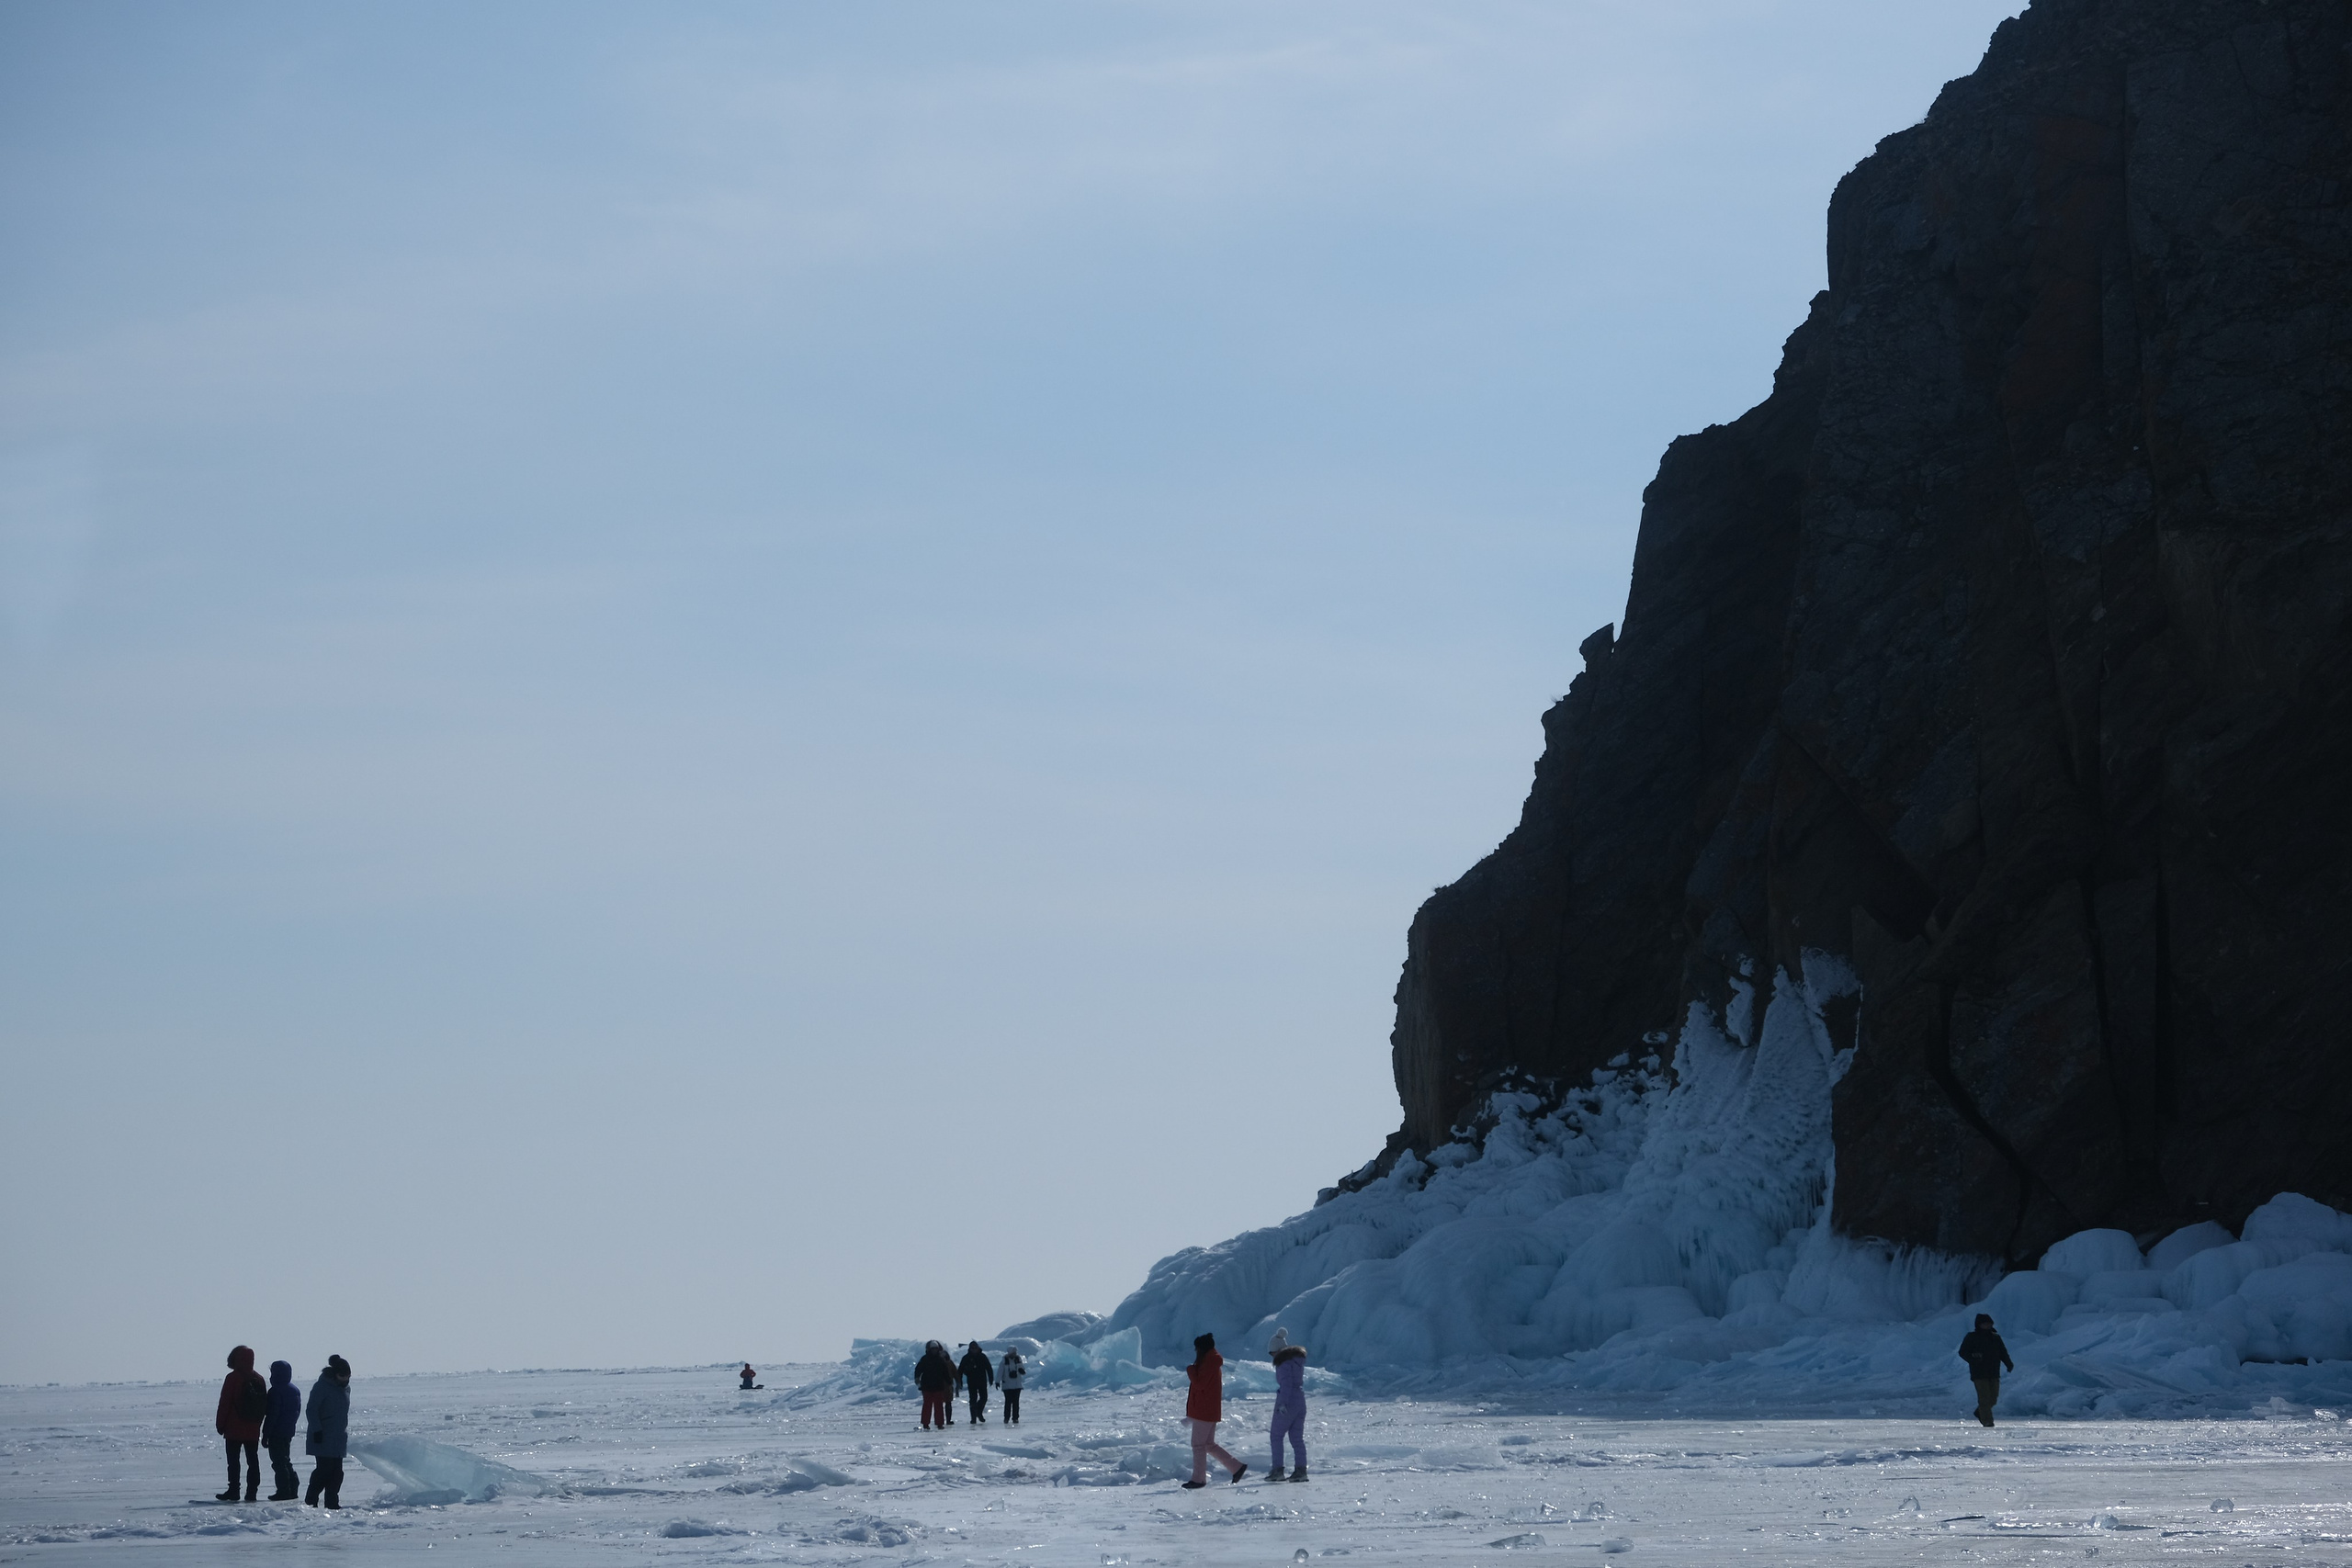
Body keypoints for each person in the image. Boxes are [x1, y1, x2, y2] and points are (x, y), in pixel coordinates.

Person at [1181, 1333, 1246, 1488]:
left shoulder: (1209, 1363)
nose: (1196, 1352)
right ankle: (1236, 1467)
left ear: (1202, 1349)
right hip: (1208, 1410)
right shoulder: (1210, 1362)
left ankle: (1198, 1479)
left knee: (1198, 1446)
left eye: (1197, 1349)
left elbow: (1200, 1384)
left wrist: (1190, 1370)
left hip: (1204, 1411)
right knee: (1208, 1444)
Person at [212, 1346, 266, 1501]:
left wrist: (220, 1425)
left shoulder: (233, 1378)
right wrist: (258, 1424)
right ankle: (252, 1493)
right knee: (253, 1461)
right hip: (253, 1428)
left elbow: (225, 1403)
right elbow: (264, 1405)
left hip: (234, 1428)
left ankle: (234, 1490)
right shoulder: (259, 1379)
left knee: (234, 1462)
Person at [303, 1355, 352, 1508]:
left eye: (348, 1376)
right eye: (342, 1376)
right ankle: (311, 1500)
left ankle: (332, 1502)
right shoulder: (322, 1387)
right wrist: (317, 1430)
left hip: (338, 1437)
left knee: (337, 1473)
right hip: (322, 1436)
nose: (345, 1379)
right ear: (334, 1374)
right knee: (324, 1471)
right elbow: (311, 1409)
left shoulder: (345, 1388)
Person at [1957, 1313, 2014, 1427]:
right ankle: (1987, 1421)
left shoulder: (1995, 1338)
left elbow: (2002, 1352)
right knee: (1984, 1398)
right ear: (1979, 1325)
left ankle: (1980, 1412)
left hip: (1993, 1372)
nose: (1987, 1325)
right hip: (1979, 1372)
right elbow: (1962, 1352)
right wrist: (1973, 1358)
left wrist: (2008, 1363)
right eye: (1984, 1323)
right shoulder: (1971, 1337)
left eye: (1989, 1323)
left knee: (1993, 1399)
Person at [1266, 1327, 1308, 1482]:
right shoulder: (1297, 1362)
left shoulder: (1283, 1364)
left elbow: (1286, 1385)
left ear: (1277, 1351)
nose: (1272, 1357)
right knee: (1297, 1438)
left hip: (1288, 1402)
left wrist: (1282, 1404)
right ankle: (1301, 1470)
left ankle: (1277, 1470)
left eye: (1272, 1353)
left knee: (1276, 1436)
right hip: (1300, 1401)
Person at [263, 1359, 302, 1500]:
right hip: (288, 1430)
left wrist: (265, 1434)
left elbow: (272, 1415)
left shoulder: (275, 1391)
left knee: (279, 1462)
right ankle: (293, 1487)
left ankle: (284, 1490)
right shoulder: (294, 1390)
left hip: (277, 1432)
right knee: (285, 1460)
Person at [914, 1340, 956, 1431]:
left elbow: (945, 1372)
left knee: (939, 1406)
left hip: (938, 1386)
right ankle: (925, 1423)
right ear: (929, 1349)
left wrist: (949, 1381)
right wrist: (917, 1379)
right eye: (932, 1349)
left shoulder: (941, 1360)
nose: (934, 1350)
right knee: (927, 1406)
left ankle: (940, 1423)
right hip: (927, 1387)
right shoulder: (924, 1359)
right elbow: (918, 1370)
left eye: (935, 1349)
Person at [958, 1340, 995, 1425]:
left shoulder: (982, 1357)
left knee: (984, 1398)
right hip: (971, 1381)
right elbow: (960, 1370)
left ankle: (979, 1412)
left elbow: (988, 1368)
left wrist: (991, 1378)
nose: (974, 1350)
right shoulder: (966, 1358)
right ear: (970, 1349)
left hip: (982, 1380)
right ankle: (973, 1418)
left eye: (975, 1348)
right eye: (972, 1348)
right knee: (973, 1399)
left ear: (978, 1348)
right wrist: (959, 1381)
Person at [999, 1347, 1027, 1426]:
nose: (1014, 1354)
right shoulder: (1004, 1361)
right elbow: (1000, 1371)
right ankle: (1006, 1417)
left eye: (1015, 1353)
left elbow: (1022, 1369)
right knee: (1008, 1402)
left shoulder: (1018, 1360)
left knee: (1016, 1402)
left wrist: (1022, 1370)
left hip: (1017, 1385)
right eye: (1013, 1353)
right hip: (1007, 1385)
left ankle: (1015, 1418)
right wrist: (998, 1381)